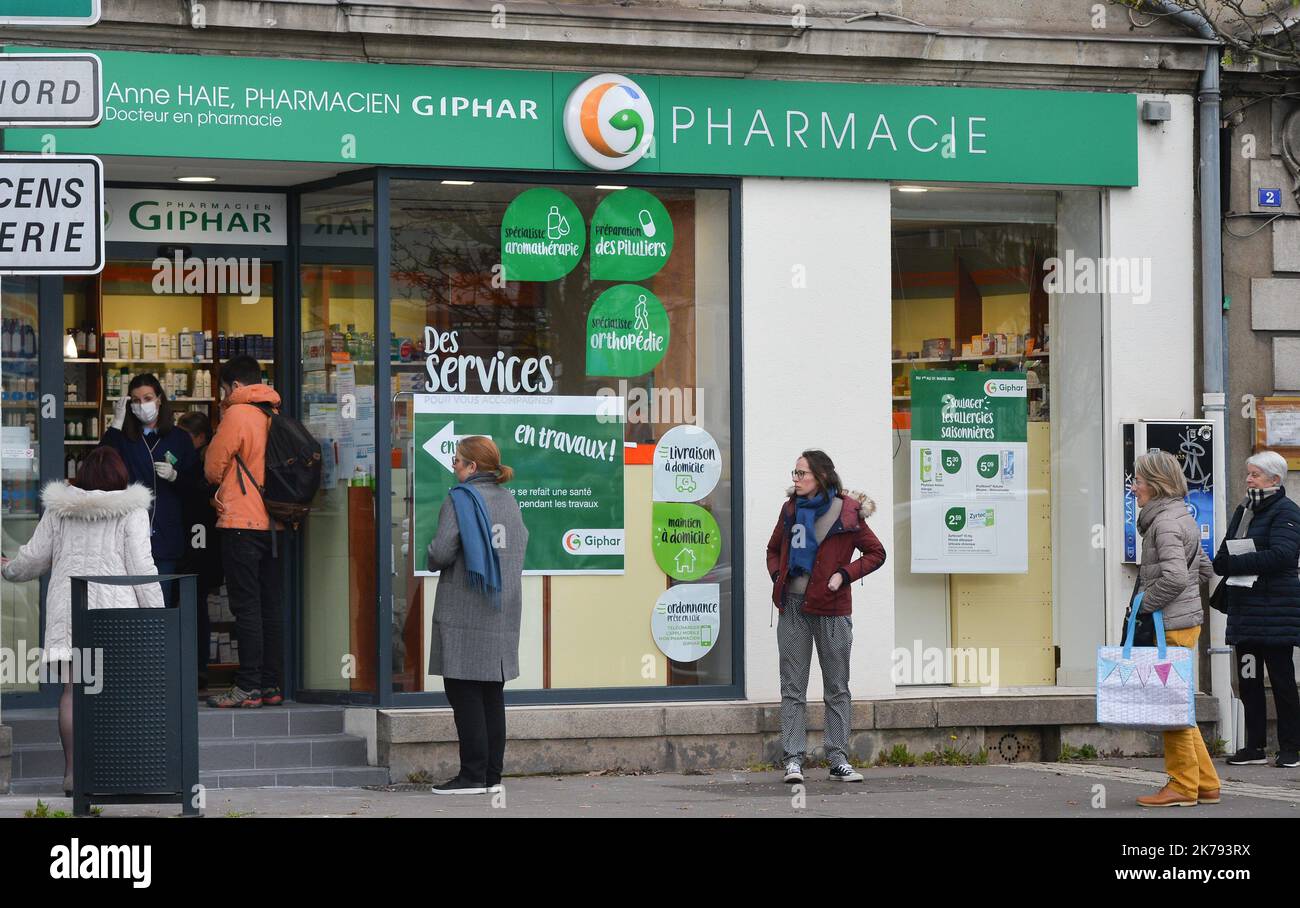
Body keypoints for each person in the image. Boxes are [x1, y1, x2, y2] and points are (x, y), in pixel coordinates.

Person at [0, 447, 164, 795]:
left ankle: (73, 774)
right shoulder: (130, 511)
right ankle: (113, 773)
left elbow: (33, 558)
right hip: (116, 616)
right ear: (120, 476)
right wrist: (157, 616)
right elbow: (142, 569)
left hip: (69, 610)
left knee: (73, 691)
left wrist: (7, 568)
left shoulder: (60, 510)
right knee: (116, 696)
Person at [766, 449, 886, 784]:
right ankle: (793, 760)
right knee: (793, 687)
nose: (795, 479)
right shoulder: (791, 509)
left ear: (820, 476)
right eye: (794, 473)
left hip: (832, 609)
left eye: (801, 473)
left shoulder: (848, 511)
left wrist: (845, 574)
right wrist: (779, 577)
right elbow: (773, 549)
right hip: (793, 607)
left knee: (837, 687)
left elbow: (876, 553)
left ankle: (837, 758)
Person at [426, 435, 528, 794]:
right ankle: (490, 777)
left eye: (457, 461)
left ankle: (471, 775)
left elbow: (440, 550)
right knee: (490, 693)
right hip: (501, 609)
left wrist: (427, 554)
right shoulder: (509, 500)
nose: (453, 466)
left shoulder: (461, 499)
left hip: (465, 608)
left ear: (472, 467)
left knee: (463, 689)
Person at [1128, 451, 1221, 807]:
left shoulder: (1164, 523)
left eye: (1137, 481)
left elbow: (1177, 576)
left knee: (1171, 709)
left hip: (1168, 626)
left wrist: (1143, 605)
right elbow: (1203, 569)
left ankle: (1182, 785)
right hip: (1183, 623)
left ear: (1154, 484)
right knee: (1179, 704)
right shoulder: (1181, 515)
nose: (1134, 488)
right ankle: (1207, 783)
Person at [203, 355, 284, 709]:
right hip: (273, 525)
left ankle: (247, 685)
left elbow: (212, 467)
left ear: (235, 386)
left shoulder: (237, 414)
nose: (223, 395)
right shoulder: (273, 413)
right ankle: (270, 684)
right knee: (269, 606)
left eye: (223, 388)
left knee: (246, 606)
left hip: (241, 524)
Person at [1213, 450, 1300, 770]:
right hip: (1246, 609)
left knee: (1281, 680)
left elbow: (1283, 554)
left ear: (1274, 480)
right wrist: (1229, 562)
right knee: (1248, 678)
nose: (1248, 479)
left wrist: (1235, 561)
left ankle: (1291, 747)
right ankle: (1254, 746)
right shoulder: (1244, 509)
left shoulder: (1287, 511)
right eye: (1248, 474)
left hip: (1275, 610)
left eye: (1255, 475)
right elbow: (1221, 558)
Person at [100, 373, 198, 594]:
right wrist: (115, 425)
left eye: (147, 398)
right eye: (135, 400)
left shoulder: (179, 438)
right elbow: (101, 465)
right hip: (128, 535)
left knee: (159, 602)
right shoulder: (124, 437)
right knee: (128, 603)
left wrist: (176, 477)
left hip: (166, 535)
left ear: (159, 399)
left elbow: (196, 486)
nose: (142, 405)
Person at [177, 410, 223, 691]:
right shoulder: (194, 461)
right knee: (196, 608)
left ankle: (196, 668)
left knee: (193, 607)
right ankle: (197, 668)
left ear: (200, 437)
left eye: (186, 436)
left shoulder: (202, 465)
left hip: (198, 548)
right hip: (200, 547)